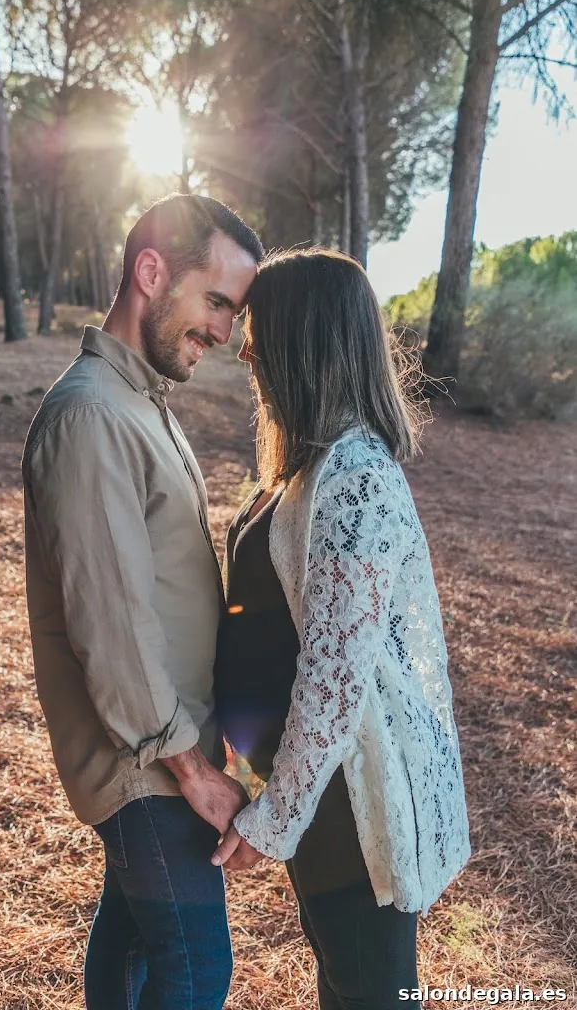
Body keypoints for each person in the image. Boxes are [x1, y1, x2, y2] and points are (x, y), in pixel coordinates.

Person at [21, 193, 264, 1010]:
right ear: (151, 272)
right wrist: (190, 769)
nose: (225, 333)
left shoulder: (139, 404)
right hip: (146, 765)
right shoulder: (91, 414)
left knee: (129, 947)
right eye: (216, 303)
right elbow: (111, 619)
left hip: (165, 749)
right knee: (196, 974)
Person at [212, 248, 470, 1010]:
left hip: (348, 809)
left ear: (306, 337)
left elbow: (335, 679)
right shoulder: (304, 467)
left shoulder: (354, 478)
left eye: (259, 328)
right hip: (317, 797)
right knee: (346, 981)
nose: (244, 346)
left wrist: (275, 819)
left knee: (368, 994)